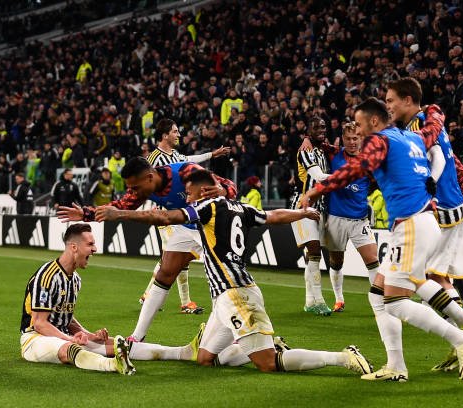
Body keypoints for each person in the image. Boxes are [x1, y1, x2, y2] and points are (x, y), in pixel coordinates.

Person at [93, 169, 373, 375]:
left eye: (189, 193)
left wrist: (120, 214)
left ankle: (342, 357)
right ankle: (265, 344)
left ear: (202, 191)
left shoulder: (205, 207)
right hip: (225, 297)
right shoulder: (241, 207)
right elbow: (273, 217)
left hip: (236, 295)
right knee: (205, 357)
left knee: (267, 364)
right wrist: (301, 213)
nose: (186, 198)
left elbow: (164, 217)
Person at [300, 98, 463, 382]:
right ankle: (402, 361)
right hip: (422, 222)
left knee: (395, 302)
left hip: (411, 226)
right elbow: (435, 135)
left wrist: (316, 190)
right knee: (383, 293)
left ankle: (460, 338)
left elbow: (356, 169)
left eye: (359, 125)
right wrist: (433, 111)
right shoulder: (411, 136)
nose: (358, 132)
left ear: (373, 121)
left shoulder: (381, 140)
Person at [56, 158, 237, 343]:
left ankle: (237, 330)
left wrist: (223, 190)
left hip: (212, 226)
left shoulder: (186, 172)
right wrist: (86, 214)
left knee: (223, 278)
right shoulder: (143, 186)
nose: (133, 192)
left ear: (150, 177)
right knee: (164, 274)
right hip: (186, 226)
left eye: (135, 188)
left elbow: (230, 186)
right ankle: (137, 337)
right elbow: (122, 206)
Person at [19, 223, 204, 374]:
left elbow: (65, 316)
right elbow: (40, 323)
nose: (95, 249)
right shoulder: (47, 276)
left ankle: (184, 352)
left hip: (62, 336)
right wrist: (70, 338)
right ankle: (113, 365)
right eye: (90, 244)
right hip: (35, 339)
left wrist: (89, 335)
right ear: (74, 247)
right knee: (71, 349)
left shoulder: (75, 279)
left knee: (120, 344)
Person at [387, 77, 463, 325]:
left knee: (432, 275)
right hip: (454, 204)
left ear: (407, 100)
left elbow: (437, 155)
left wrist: (430, 181)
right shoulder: (428, 120)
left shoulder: (419, 124)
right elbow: (449, 159)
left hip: (441, 206)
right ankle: (459, 313)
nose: (388, 106)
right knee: (439, 272)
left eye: (391, 100)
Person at [141, 118, 230, 313]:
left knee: (171, 257)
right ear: (164, 135)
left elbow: (190, 160)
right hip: (165, 214)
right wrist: (150, 207)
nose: (178, 134)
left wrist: (212, 154)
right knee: (176, 257)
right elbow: (144, 184)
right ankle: (185, 302)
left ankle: (148, 296)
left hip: (181, 213)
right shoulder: (153, 159)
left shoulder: (175, 154)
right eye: (174, 131)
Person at [323, 122, 380, 312]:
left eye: (355, 138)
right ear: (342, 139)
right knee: (336, 262)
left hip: (359, 220)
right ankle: (339, 299)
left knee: (373, 260)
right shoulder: (334, 154)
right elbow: (315, 141)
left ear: (361, 138)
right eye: (348, 138)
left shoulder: (369, 162)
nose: (352, 142)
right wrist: (306, 139)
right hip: (335, 219)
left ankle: (380, 304)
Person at [290, 117, 332, 316]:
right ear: (308, 131)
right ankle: (320, 300)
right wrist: (350, 177)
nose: (321, 130)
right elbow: (319, 177)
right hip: (303, 206)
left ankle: (309, 301)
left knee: (312, 256)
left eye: (323, 127)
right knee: (314, 249)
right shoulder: (305, 151)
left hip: (320, 208)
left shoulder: (323, 151)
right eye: (316, 128)